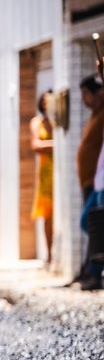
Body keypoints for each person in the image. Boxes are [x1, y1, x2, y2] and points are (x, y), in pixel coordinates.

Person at [76, 75, 104, 289]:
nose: (84, 99)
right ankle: (90, 271)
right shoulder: (95, 116)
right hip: (95, 181)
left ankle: (94, 273)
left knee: (92, 222)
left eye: (87, 93)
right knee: (94, 225)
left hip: (99, 181)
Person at [29, 91, 54, 265]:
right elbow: (36, 144)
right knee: (48, 214)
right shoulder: (37, 123)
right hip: (46, 172)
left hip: (58, 169)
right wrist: (55, 144)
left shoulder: (55, 122)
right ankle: (49, 254)